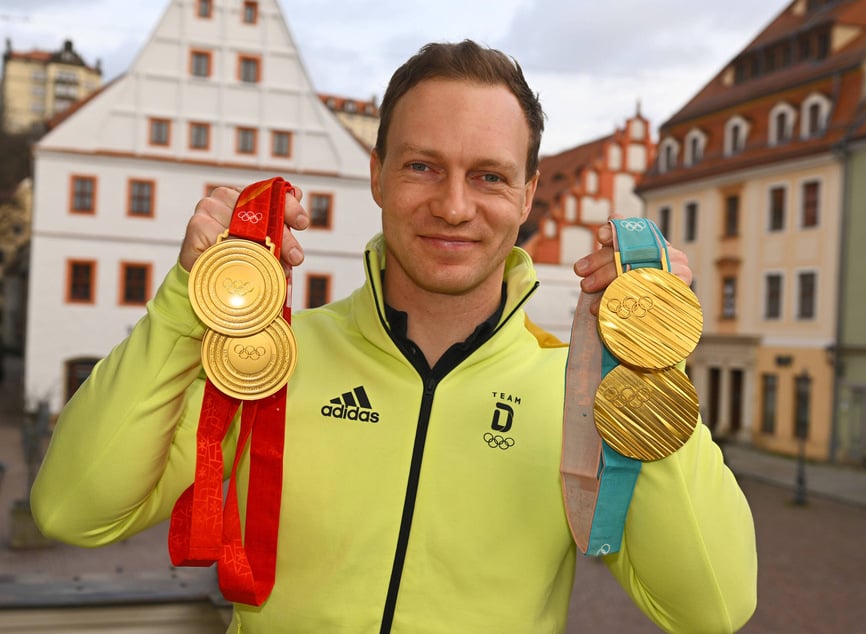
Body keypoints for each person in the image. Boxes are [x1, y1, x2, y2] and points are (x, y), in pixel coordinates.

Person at [32, 40, 756, 632]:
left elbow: (713, 607)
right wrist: (188, 299)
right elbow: (73, 511)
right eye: (422, 167)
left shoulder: (580, 394)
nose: (453, 205)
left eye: (489, 176)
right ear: (376, 175)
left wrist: (649, 365)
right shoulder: (271, 356)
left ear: (528, 195)